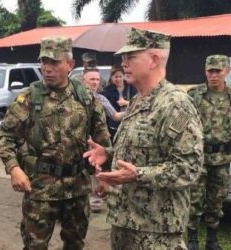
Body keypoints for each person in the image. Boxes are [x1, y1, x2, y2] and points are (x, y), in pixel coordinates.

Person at [83, 28, 204, 250]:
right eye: (123, 57)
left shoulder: (174, 104)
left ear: (154, 59)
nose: (123, 63)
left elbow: (188, 168)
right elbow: (142, 151)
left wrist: (137, 174)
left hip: (156, 231)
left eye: (131, 57)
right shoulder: (138, 100)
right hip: (125, 222)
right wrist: (108, 154)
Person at [0, 36, 112, 250]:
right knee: (34, 246)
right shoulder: (30, 98)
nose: (47, 68)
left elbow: (101, 138)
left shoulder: (85, 97)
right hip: (41, 189)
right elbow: (5, 136)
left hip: (77, 189)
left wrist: (102, 174)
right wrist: (13, 168)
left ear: (70, 64)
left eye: (54, 62)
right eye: (44, 62)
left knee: (75, 244)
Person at [187, 54, 231, 250]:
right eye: (210, 71)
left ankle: (212, 240)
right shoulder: (194, 95)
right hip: (199, 158)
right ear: (205, 71)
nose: (214, 75)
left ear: (226, 71)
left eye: (218, 71)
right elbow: (181, 124)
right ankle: (192, 240)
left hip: (222, 159)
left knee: (216, 200)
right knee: (194, 200)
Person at [81, 68, 124, 213]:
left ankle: (96, 201)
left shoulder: (101, 99)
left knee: (97, 169)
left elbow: (116, 116)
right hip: (79, 141)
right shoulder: (74, 98)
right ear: (83, 80)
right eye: (91, 79)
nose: (95, 82)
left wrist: (133, 109)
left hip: (96, 141)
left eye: (97, 79)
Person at [101, 65, 137, 140]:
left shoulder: (132, 87)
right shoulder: (107, 91)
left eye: (120, 76)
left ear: (124, 76)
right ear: (111, 77)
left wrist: (126, 103)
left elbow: (139, 102)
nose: (118, 79)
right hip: (114, 127)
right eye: (116, 77)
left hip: (130, 124)